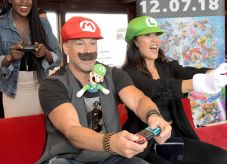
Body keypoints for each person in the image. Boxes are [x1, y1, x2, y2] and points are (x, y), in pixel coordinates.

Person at [37, 16, 172, 164]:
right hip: (69, 159)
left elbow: (138, 100)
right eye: (80, 44)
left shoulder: (113, 74)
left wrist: (154, 116)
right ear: (66, 48)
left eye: (93, 43)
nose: (88, 50)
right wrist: (112, 142)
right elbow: (72, 130)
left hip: (111, 159)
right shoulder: (52, 85)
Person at [122, 16, 227, 164]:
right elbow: (157, 88)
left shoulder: (166, 65)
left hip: (174, 134)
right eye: (148, 35)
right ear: (135, 42)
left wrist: (219, 72)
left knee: (224, 159)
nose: (155, 40)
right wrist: (198, 83)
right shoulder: (128, 74)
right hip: (147, 143)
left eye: (156, 35)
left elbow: (188, 72)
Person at [0, 0, 61, 118]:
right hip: (12, 92)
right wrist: (9, 57)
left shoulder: (43, 23)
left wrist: (46, 53)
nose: (24, 1)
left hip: (41, 89)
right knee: (15, 133)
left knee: (40, 132)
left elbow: (58, 57)